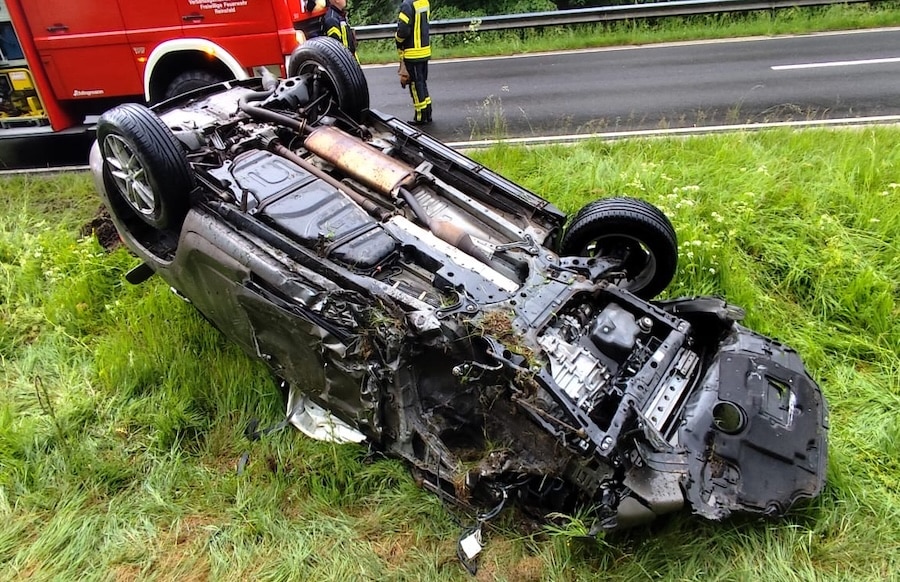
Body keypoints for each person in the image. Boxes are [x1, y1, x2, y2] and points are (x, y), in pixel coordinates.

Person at [395, 0, 431, 125]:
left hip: (413, 53)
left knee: (415, 86)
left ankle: (420, 116)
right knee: (422, 83)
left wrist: (397, 39)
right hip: (424, 51)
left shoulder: (407, 5)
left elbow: (403, 31)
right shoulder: (424, 2)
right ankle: (428, 113)